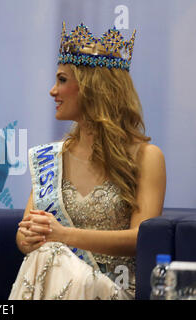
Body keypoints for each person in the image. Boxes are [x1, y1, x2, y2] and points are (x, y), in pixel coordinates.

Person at [9, 22, 166, 300]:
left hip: (115, 287)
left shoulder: (145, 156)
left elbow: (141, 239)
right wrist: (28, 237)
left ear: (93, 88)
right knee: (48, 253)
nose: (52, 91)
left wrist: (63, 236)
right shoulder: (52, 158)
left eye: (62, 80)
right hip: (53, 272)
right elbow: (26, 235)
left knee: (52, 251)